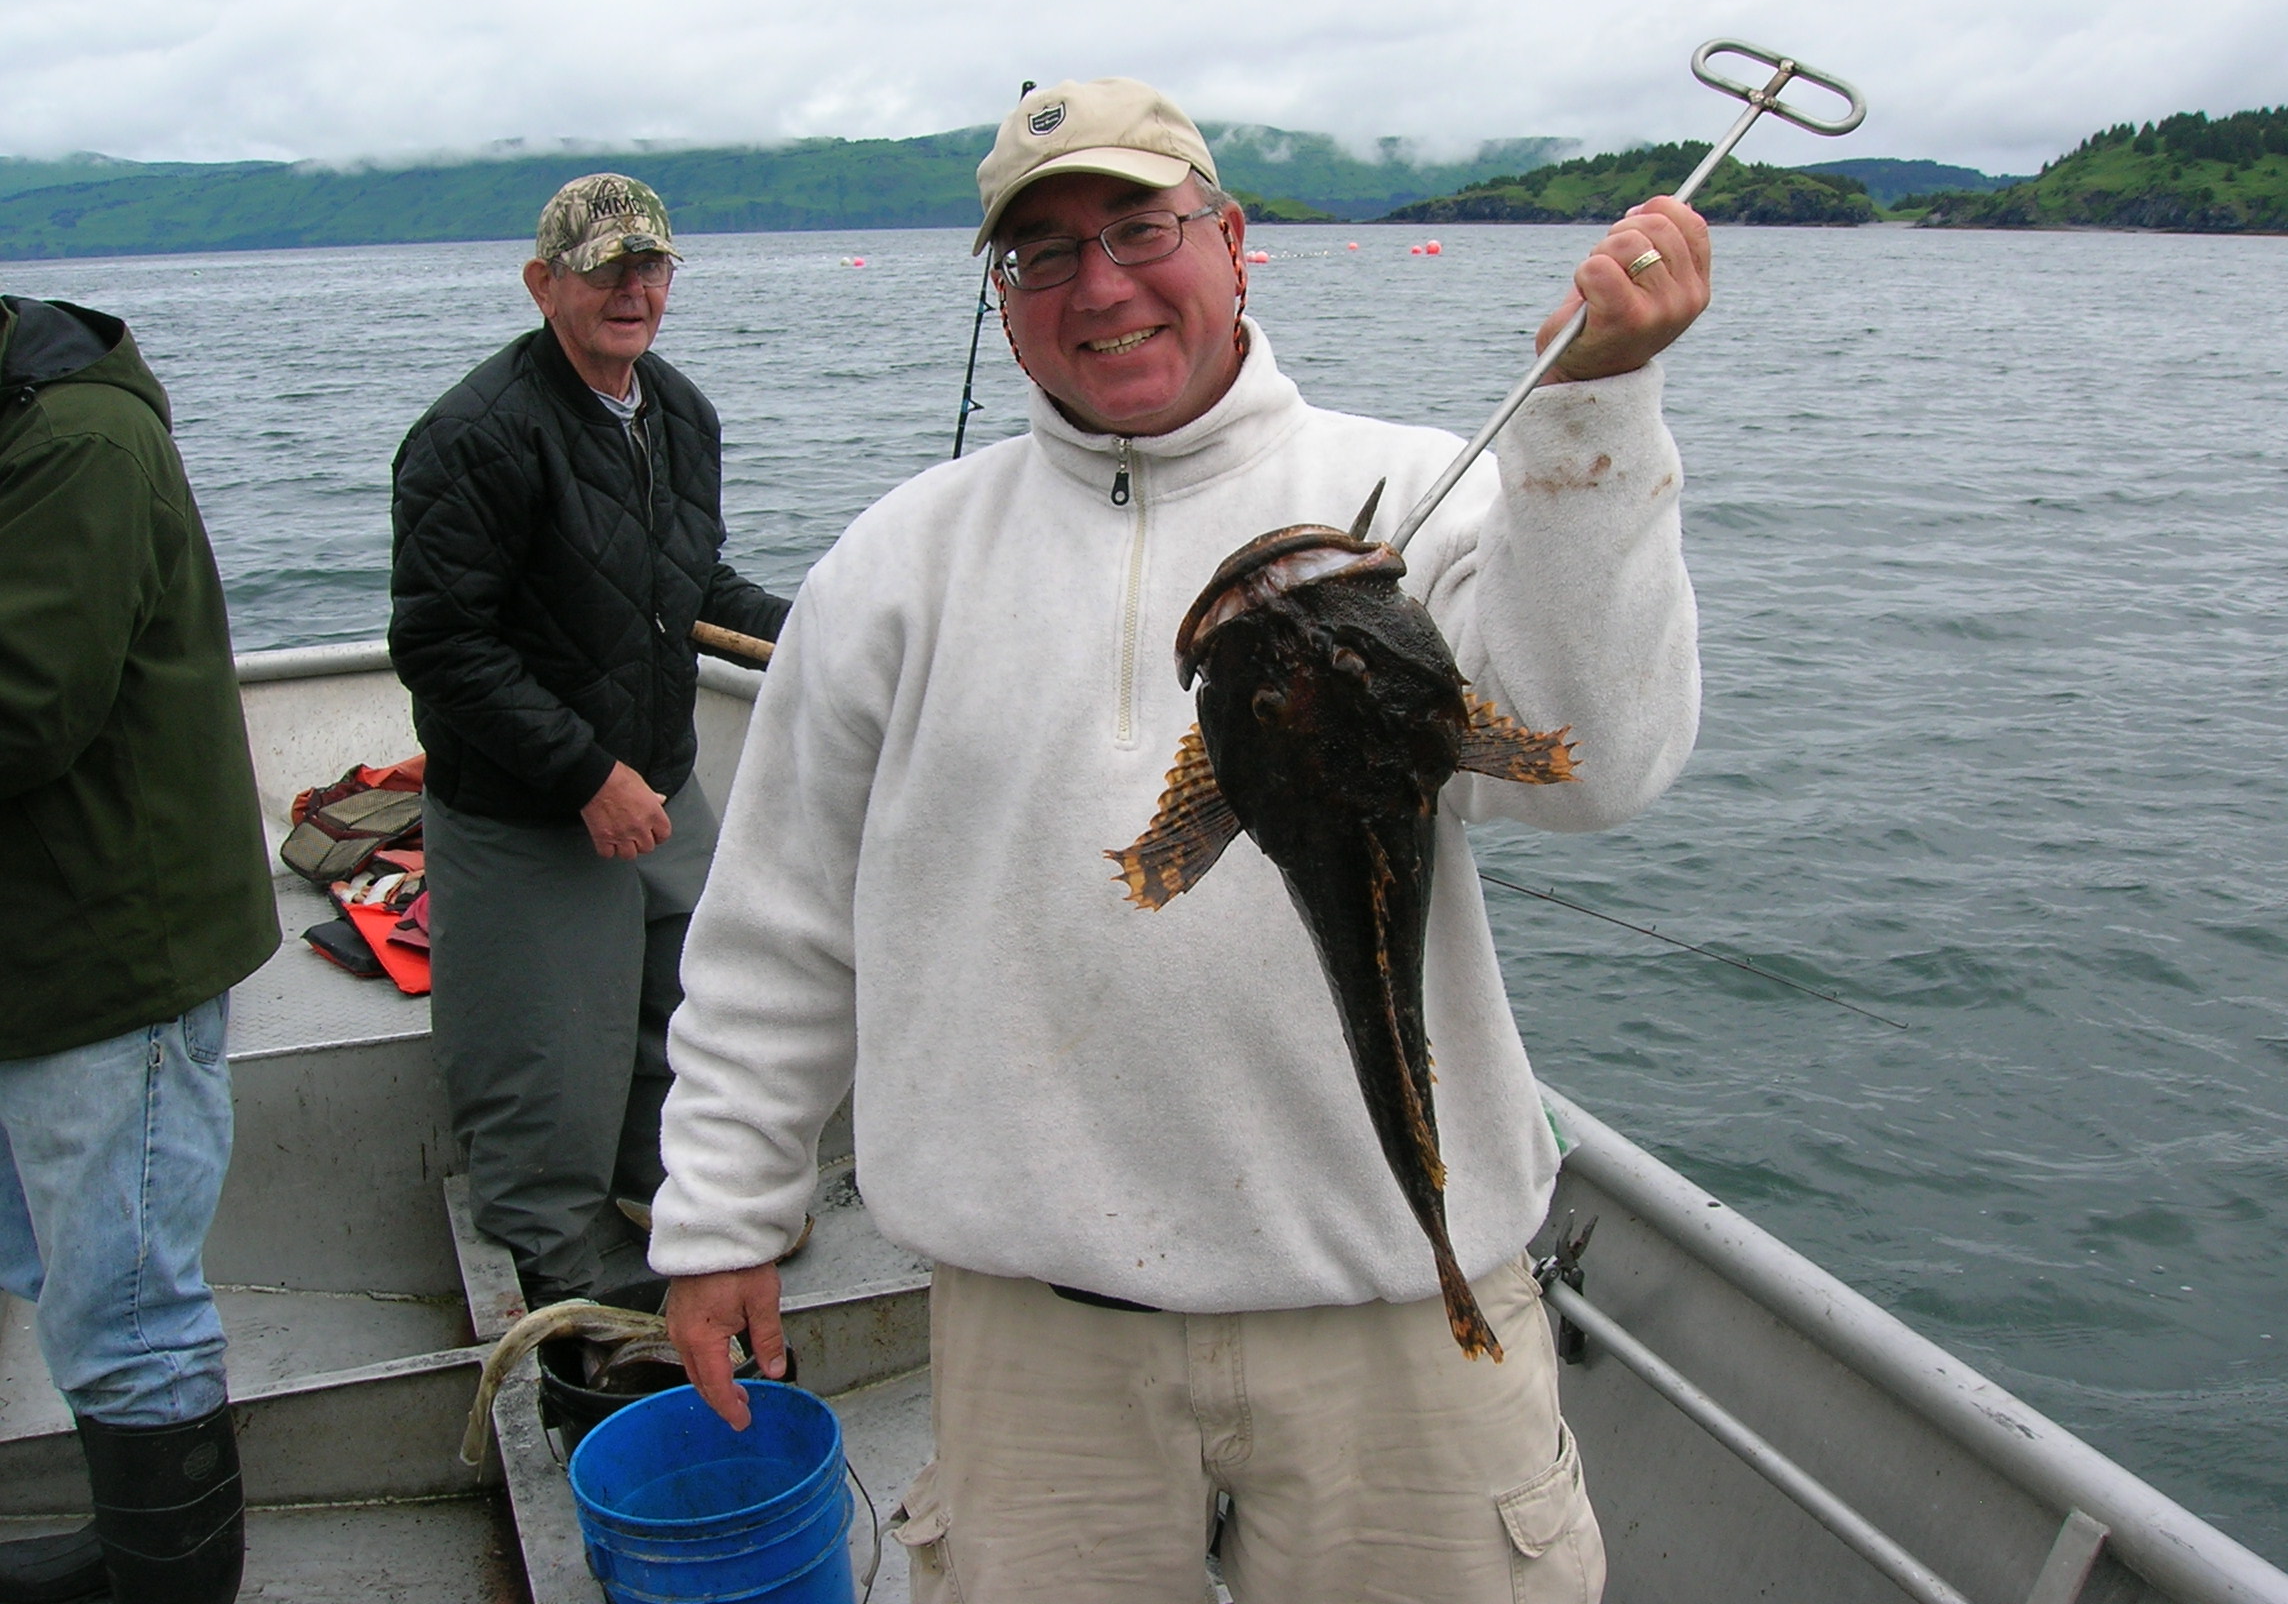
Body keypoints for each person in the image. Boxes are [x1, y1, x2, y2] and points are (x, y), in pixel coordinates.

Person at [656, 79, 1708, 1602]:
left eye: (1142, 229)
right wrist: (720, 1215)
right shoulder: (895, 567)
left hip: (1394, 1306)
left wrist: (1593, 407)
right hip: (1037, 1330)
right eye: (1043, 253)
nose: (1101, 286)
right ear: (1001, 296)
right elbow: (781, 926)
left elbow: (1590, 762)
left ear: (1232, 240)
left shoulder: (1428, 492)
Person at [389, 174, 793, 1308]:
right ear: (543, 284)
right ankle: (561, 1284)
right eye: (605, 267)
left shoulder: (679, 413)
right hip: (526, 810)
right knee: (545, 1065)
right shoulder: (472, 438)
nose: (632, 288)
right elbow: (442, 644)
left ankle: (664, 1202)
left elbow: (688, 583)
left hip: (661, 780)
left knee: (694, 1011)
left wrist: (822, 637)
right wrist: (586, 773)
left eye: (650, 266)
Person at [1, 294, 278, 1603]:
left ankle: (171, 1576)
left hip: (110, 953)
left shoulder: (79, 441)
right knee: (60, 1274)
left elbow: (27, 704)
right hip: (35, 948)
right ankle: (132, 1546)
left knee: (124, 1310)